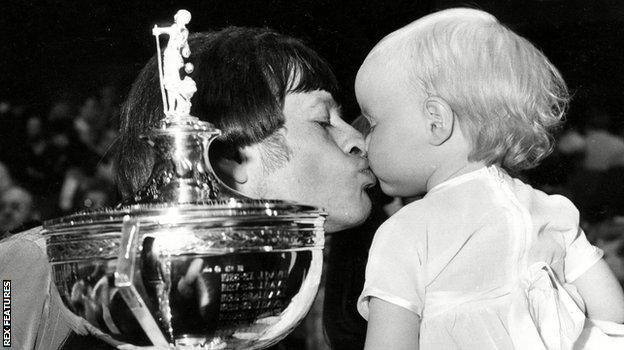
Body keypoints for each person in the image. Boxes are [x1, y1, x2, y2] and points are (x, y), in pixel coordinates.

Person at [0, 27, 375, 349]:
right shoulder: (37, 268)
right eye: (323, 120)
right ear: (228, 156)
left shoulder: (303, 278)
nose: (357, 139)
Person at [354, 8, 624, 349]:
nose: (364, 140)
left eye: (373, 123)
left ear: (436, 120)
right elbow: (613, 318)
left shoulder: (406, 233)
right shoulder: (553, 211)